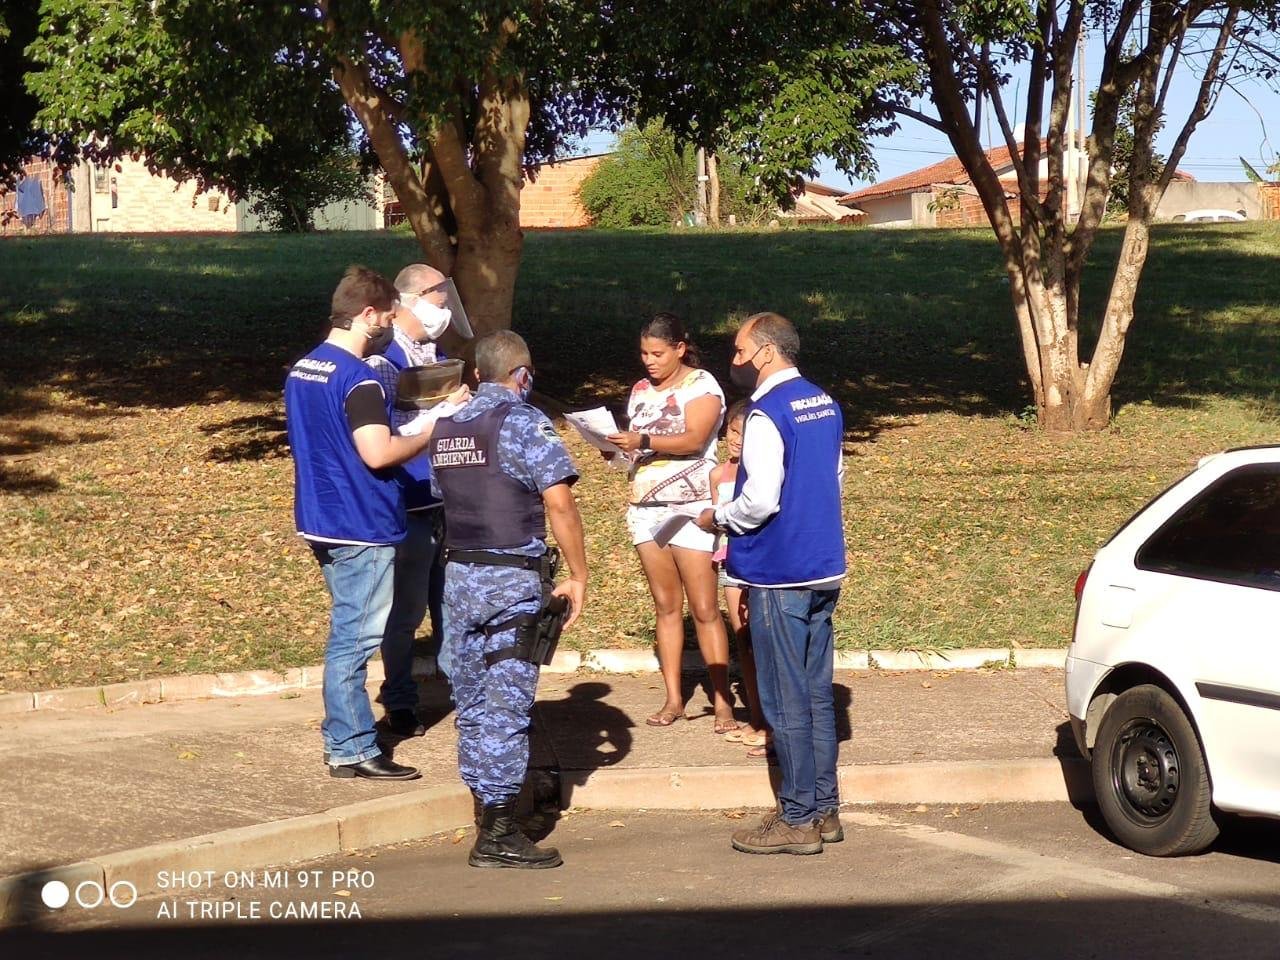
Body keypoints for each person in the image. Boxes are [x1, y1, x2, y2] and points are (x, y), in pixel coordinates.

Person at [284, 265, 451, 781]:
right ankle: (352, 745)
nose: (389, 324)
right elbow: (379, 454)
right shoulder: (359, 379)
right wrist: (431, 428)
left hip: (321, 519)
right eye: (386, 315)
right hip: (363, 523)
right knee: (353, 640)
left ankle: (348, 741)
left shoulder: (303, 368)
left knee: (347, 633)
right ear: (369, 315)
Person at [429, 330, 588, 869]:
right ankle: (498, 833)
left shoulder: (448, 424)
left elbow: (441, 493)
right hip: (510, 585)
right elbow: (559, 503)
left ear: (477, 374)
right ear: (522, 375)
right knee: (507, 708)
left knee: (472, 705)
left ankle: (484, 811)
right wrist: (579, 575)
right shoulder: (522, 421)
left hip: (458, 582)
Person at [696, 311, 846, 855]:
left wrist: (719, 517)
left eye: (739, 351)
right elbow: (831, 479)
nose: (734, 361)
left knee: (784, 702)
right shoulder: (823, 402)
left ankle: (799, 817)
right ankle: (824, 809)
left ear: (765, 352)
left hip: (780, 571)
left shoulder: (766, 412)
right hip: (824, 564)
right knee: (815, 695)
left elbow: (760, 498)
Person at [606, 314, 736, 734]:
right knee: (666, 607)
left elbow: (695, 439)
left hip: (691, 507)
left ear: (680, 348)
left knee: (703, 608)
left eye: (657, 353)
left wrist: (642, 441)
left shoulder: (701, 385)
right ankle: (674, 699)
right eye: (644, 353)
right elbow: (636, 448)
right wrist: (616, 451)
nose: (649, 361)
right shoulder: (641, 391)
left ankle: (722, 701)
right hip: (646, 507)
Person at [364, 262, 465, 737]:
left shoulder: (436, 352)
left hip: (447, 499)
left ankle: (461, 696)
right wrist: (437, 418)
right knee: (405, 612)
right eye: (438, 298)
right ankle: (400, 700)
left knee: (451, 605)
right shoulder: (383, 360)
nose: (444, 308)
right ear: (408, 299)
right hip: (408, 504)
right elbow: (380, 435)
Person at [709, 401, 769, 757]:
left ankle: (774, 722)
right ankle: (758, 717)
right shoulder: (718, 475)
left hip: (763, 565)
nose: (736, 440)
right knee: (744, 640)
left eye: (745, 435)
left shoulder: (763, 474)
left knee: (766, 641)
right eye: (732, 431)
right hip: (731, 564)